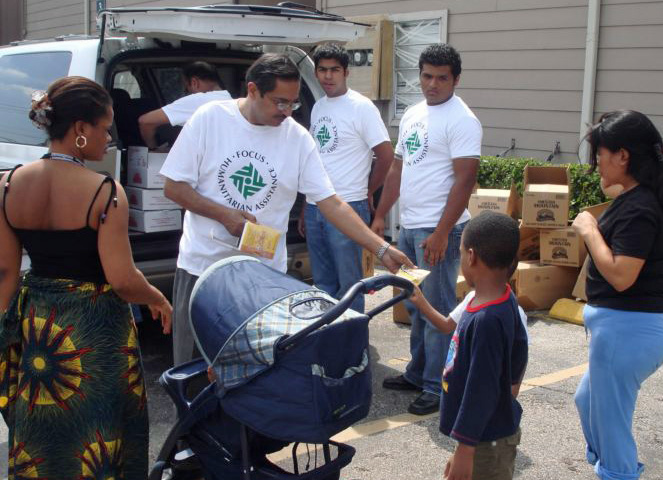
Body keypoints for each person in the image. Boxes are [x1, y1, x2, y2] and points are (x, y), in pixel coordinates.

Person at [160, 53, 412, 366]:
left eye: (293, 103)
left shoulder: (296, 138)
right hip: (204, 270)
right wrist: (224, 215)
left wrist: (381, 247)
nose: (287, 111)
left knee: (257, 377)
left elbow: (331, 203)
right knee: (197, 373)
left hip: (263, 277)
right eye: (279, 102)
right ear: (253, 90)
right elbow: (174, 187)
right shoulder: (210, 119)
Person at [0, 76, 172, 479]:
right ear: (80, 129)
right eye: (104, 127)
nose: (109, 137)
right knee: (101, 431)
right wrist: (157, 299)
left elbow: (7, 271)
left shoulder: (7, 185)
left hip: (40, 327)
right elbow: (123, 278)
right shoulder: (104, 191)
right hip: (95, 332)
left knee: (46, 427)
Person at [571, 110, 663, 480]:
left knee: (613, 427)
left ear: (623, 156)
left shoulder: (641, 207)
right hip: (629, 329)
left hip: (628, 330)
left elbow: (622, 275)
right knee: (587, 400)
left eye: (600, 154)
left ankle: (617, 471)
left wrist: (589, 229)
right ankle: (613, 466)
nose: (596, 164)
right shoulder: (643, 197)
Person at [373, 43, 482, 415]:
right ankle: (418, 374)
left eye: (441, 78)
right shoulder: (413, 113)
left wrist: (440, 232)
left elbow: (465, 179)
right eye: (426, 76)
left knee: (437, 308)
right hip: (409, 228)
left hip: (440, 233)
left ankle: (438, 385)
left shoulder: (462, 119)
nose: (432, 84)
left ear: (455, 80)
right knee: (415, 305)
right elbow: (397, 169)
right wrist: (380, 216)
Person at [408, 211, 528, 480]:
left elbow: (481, 389)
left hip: (485, 441)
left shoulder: (486, 320)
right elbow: (520, 351)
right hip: (484, 435)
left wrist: (464, 449)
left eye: (461, 252)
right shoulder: (502, 299)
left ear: (471, 256)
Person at [299, 43, 394, 313]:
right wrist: (307, 205)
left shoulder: (361, 107)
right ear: (316, 73)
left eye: (334, 70)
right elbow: (315, 161)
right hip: (317, 205)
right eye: (322, 70)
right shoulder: (318, 108)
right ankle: (328, 343)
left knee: (350, 286)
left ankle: (353, 349)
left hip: (349, 205)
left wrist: (367, 191)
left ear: (346, 73)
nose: (328, 76)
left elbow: (386, 156)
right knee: (322, 285)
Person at [138, 61, 232, 149]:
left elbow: (145, 121)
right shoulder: (229, 99)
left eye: (186, 88)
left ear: (194, 82)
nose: (188, 93)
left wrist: (153, 149)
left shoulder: (198, 100)